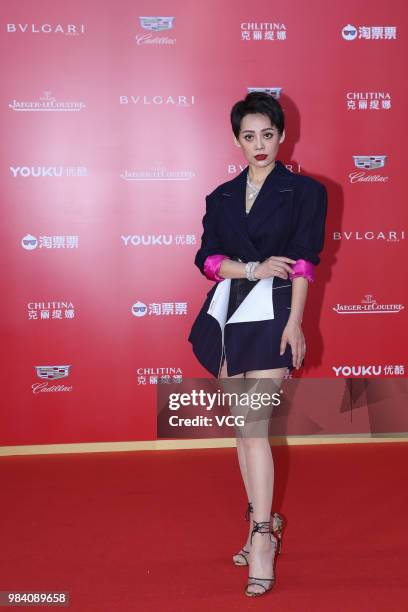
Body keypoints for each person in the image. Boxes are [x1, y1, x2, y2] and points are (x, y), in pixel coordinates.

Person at [188, 92, 327, 597]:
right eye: (249, 136)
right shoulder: (220, 197)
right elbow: (205, 259)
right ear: (236, 140)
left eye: (267, 134)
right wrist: (247, 268)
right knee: (241, 433)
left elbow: (307, 262)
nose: (259, 144)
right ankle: (258, 522)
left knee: (255, 425)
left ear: (282, 135)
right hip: (230, 316)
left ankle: (264, 539)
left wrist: (296, 324)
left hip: (276, 314)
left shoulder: (305, 192)